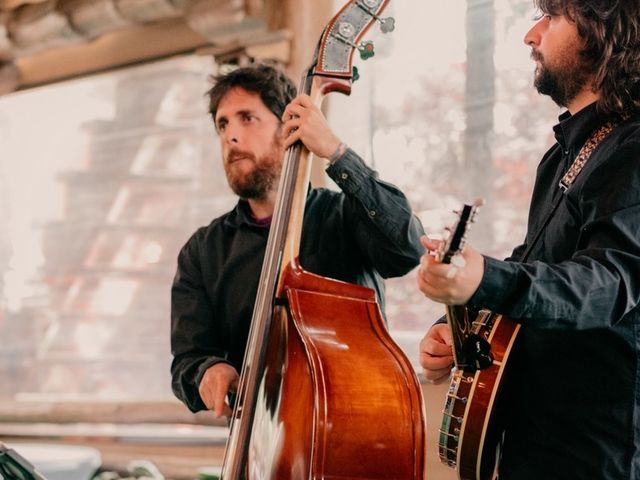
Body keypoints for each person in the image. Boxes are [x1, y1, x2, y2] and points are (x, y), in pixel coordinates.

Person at [417, 1, 640, 479]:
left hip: (597, 458)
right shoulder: (562, 157)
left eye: (552, 17)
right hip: (530, 448)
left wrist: (484, 279)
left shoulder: (634, 150)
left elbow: (605, 282)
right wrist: (458, 317)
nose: (530, 35)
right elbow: (533, 263)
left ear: (603, 31)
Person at [170, 64, 424, 418]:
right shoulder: (202, 251)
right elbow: (186, 360)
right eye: (223, 124)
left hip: (354, 425)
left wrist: (336, 153)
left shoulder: (345, 216)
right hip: (259, 447)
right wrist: (208, 370)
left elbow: (407, 249)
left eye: (247, 118)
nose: (231, 136)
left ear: (288, 127)